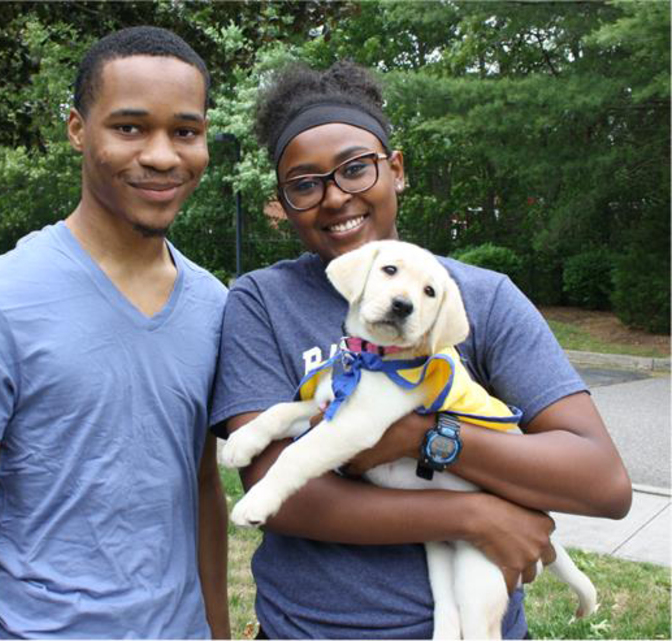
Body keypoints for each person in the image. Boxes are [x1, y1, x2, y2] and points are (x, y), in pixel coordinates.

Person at [210, 60, 632, 639]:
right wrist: (476, 515)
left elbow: (602, 484)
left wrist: (419, 436)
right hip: (313, 628)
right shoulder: (262, 300)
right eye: (304, 184)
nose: (335, 198)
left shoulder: (478, 296)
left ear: (396, 169)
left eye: (355, 169)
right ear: (282, 202)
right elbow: (276, 491)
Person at [0, 26, 230, 639]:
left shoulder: (214, 305)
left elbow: (202, 489)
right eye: (130, 127)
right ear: (78, 129)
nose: (163, 155)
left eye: (185, 131)